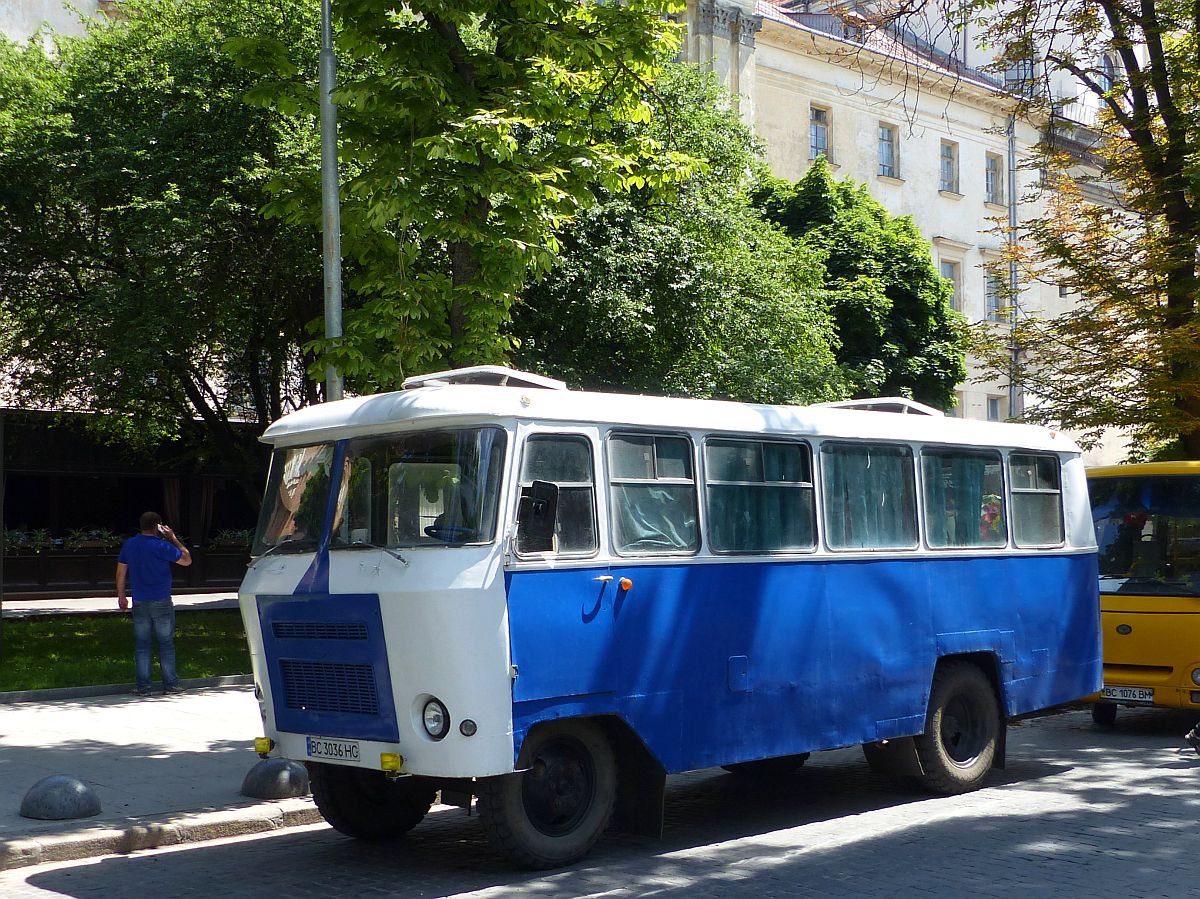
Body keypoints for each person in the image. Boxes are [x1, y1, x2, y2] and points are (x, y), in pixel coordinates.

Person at [116, 511, 192, 696]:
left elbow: (120, 573)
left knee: (142, 644)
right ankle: (171, 684)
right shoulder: (162, 546)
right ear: (158, 526)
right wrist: (173, 538)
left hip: (140, 600)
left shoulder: (129, 545)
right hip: (162, 600)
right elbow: (186, 560)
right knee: (165, 643)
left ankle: (143, 687)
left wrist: (121, 596)